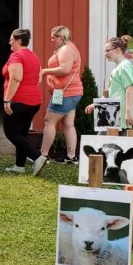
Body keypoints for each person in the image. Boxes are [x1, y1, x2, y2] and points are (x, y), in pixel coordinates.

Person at [2, 29, 47, 175]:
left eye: (11, 40)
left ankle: (37, 157)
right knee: (21, 133)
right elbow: (39, 79)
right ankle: (19, 166)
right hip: (34, 101)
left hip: (19, 101)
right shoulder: (34, 56)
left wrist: (7, 99)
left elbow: (16, 78)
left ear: (19, 41)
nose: (9, 42)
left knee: (11, 133)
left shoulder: (16, 56)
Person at [38, 26, 83, 165]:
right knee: (68, 124)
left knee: (49, 121)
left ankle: (43, 156)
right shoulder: (67, 48)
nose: (51, 40)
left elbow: (65, 69)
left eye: (54, 37)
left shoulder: (66, 49)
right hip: (66, 92)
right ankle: (71, 157)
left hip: (66, 93)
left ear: (61, 37)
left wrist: (44, 71)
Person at [86, 37, 133, 133]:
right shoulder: (118, 67)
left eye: (107, 51)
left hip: (121, 113)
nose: (105, 54)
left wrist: (128, 112)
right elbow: (112, 92)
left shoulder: (125, 66)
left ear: (117, 50)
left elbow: (129, 88)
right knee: (104, 140)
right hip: (113, 112)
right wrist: (97, 104)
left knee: (119, 142)